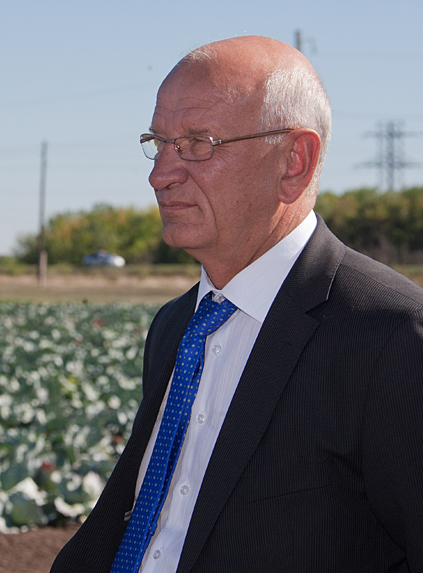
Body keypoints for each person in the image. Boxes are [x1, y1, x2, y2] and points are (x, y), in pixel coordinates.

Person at [50, 35, 423, 573]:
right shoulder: (176, 324)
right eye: (158, 142)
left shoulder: (390, 334)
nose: (160, 174)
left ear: (295, 160)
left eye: (198, 143)